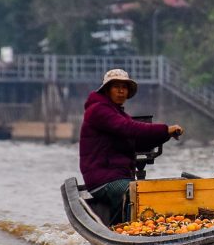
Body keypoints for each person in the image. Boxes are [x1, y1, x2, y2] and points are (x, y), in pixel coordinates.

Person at [79, 68, 184, 224]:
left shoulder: (119, 115)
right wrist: (164, 129)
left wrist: (166, 135)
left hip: (119, 177)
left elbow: (137, 142)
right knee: (133, 192)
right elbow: (129, 128)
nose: (121, 91)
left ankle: (130, 228)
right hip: (103, 179)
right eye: (116, 87)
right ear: (107, 90)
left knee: (149, 192)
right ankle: (120, 231)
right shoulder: (98, 110)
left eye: (124, 87)